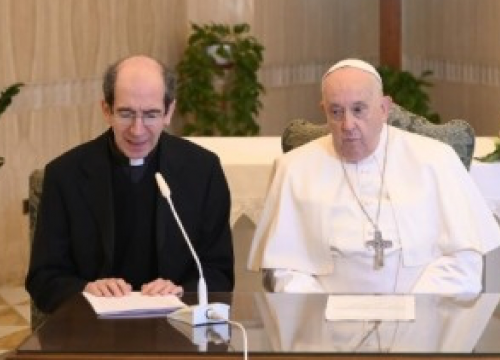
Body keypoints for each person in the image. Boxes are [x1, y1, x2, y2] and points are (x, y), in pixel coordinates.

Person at [248, 58, 500, 294]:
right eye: (336, 112)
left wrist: (415, 311)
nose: (348, 125)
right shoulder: (294, 168)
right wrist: (321, 314)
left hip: (424, 317)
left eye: (359, 110)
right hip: (324, 320)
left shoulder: (437, 159)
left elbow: (465, 260)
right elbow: (283, 269)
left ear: (384, 108)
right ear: (323, 110)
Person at [26, 55, 234, 313]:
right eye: (126, 114)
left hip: (177, 324)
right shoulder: (64, 174)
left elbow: (219, 272)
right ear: (106, 110)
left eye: (151, 115)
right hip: (93, 327)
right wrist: (86, 289)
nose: (137, 130)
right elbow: (43, 278)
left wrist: (182, 291)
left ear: (169, 112)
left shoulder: (203, 170)